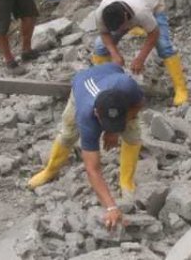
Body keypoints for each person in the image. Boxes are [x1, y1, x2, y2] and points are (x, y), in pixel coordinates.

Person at [28, 63, 144, 231]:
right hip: (81, 86)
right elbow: (92, 170)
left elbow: (139, 104)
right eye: (106, 124)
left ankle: (126, 182)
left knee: (133, 136)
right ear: (97, 113)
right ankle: (50, 170)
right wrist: (111, 207)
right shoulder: (86, 116)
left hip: (109, 73)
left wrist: (115, 130)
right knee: (68, 134)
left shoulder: (128, 86)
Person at [89, 0, 189, 106]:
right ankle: (103, 85)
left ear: (126, 17)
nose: (120, 30)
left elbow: (154, 34)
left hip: (153, 6)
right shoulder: (100, 14)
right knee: (100, 47)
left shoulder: (141, 11)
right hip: (126, 2)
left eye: (122, 27)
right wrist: (115, 54)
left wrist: (140, 59)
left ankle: (181, 88)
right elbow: (104, 33)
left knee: (164, 47)